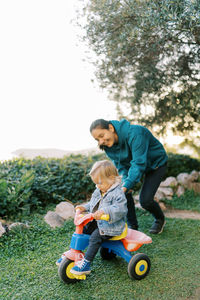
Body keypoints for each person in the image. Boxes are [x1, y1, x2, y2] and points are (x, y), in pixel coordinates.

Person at [90, 119, 168, 234]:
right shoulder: (108, 146)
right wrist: (126, 184)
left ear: (111, 128)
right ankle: (133, 226)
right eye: (97, 139)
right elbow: (120, 165)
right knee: (122, 191)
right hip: (134, 167)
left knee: (145, 200)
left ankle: (159, 219)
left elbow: (138, 163)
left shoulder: (136, 133)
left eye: (102, 135)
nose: (101, 141)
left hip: (155, 165)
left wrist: (128, 183)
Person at [70, 160, 127, 276]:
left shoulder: (118, 194)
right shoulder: (99, 190)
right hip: (99, 222)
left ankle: (86, 264)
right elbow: (93, 204)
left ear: (111, 178)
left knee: (95, 237)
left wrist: (104, 211)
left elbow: (120, 209)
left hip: (112, 226)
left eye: (100, 183)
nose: (98, 186)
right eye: (96, 183)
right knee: (83, 230)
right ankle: (74, 254)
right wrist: (84, 208)